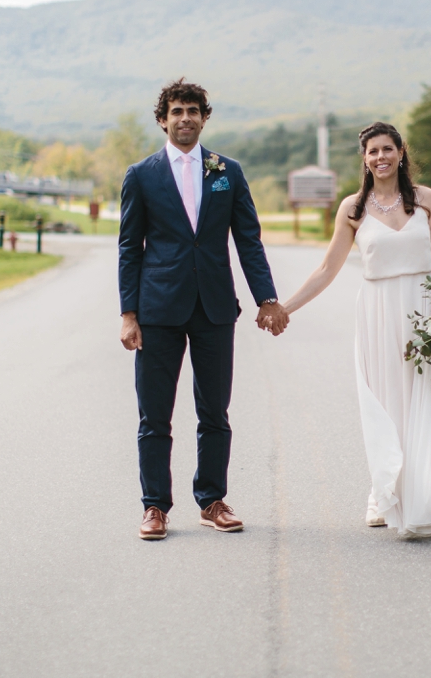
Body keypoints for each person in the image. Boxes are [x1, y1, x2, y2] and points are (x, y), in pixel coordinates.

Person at [281, 122, 431, 538]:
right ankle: (382, 490)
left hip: (422, 310)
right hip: (378, 313)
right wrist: (286, 307)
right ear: (364, 159)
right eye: (372, 151)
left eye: (388, 149)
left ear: (401, 152)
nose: (381, 157)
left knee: (425, 400)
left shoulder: (425, 200)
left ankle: (426, 493)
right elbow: (327, 268)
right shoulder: (353, 208)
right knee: (388, 403)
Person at [118, 78, 289, 541]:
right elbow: (129, 247)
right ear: (162, 119)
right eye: (176, 111)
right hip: (157, 310)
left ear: (205, 117)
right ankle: (155, 506)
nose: (185, 118)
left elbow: (248, 241)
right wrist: (128, 312)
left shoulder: (226, 172)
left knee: (215, 411)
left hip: (214, 308)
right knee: (155, 414)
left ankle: (211, 500)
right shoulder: (142, 174)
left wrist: (267, 299)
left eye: (193, 110)